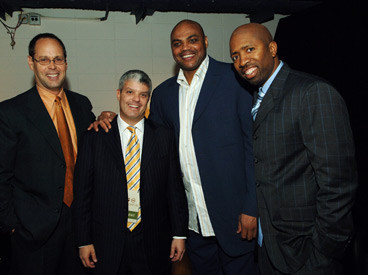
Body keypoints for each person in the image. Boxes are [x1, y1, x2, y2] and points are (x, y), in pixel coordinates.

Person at [97, 20, 258, 274]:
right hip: (192, 225)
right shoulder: (163, 94)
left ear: (205, 41)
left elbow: (253, 147)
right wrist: (110, 119)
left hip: (235, 219)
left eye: (192, 40)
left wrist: (252, 207)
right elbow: (150, 143)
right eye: (177, 43)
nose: (185, 47)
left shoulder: (234, 78)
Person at [229, 23, 358, 275]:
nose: (243, 60)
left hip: (306, 254)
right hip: (270, 249)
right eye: (235, 56)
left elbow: (338, 186)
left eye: (250, 49)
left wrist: (322, 256)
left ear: (272, 48)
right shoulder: (257, 97)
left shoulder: (312, 93)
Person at [0, 33, 95, 275]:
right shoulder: (8, 113)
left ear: (66, 63)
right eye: (44, 60)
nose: (52, 66)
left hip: (80, 229)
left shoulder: (82, 105)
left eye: (58, 59)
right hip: (32, 234)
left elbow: (93, 156)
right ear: (31, 63)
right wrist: (12, 225)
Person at [72, 70, 188, 274]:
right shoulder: (94, 137)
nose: (136, 99)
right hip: (105, 241)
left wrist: (179, 234)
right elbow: (82, 194)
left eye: (143, 94)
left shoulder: (164, 136)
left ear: (148, 99)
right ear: (118, 94)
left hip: (152, 240)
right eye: (130, 92)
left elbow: (175, 188)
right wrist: (83, 240)